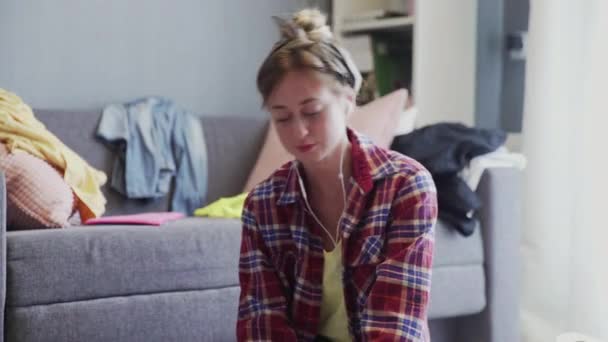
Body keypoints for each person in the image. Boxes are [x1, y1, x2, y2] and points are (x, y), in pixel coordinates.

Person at [237, 8, 437, 341]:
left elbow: (397, 327)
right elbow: (262, 324)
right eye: (282, 118)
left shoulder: (406, 187)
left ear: (347, 101)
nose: (299, 131)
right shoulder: (262, 206)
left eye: (312, 112)